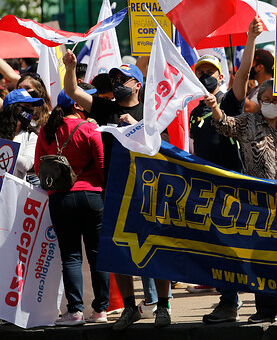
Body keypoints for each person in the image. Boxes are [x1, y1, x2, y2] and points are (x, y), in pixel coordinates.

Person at [62, 54, 172, 329]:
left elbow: (163, 150)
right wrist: (71, 67)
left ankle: (162, 306)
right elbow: (71, 91)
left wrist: (138, 128)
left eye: (123, 79)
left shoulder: (151, 113)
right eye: (115, 79)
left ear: (138, 85)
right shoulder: (103, 108)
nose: (117, 82)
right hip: (113, 191)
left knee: (153, 249)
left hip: (146, 193)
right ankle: (129, 307)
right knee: (119, 251)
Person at [206, 80, 277, 324]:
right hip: (259, 202)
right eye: (267, 100)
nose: (273, 104)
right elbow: (224, 124)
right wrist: (214, 107)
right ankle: (266, 310)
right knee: (262, 256)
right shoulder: (247, 122)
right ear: (259, 99)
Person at [190, 17, 262, 323]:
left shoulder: (229, 103)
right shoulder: (194, 112)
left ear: (221, 75)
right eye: (201, 72)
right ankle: (229, 298)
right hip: (207, 188)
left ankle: (233, 301)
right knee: (215, 247)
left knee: (234, 245)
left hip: (232, 185)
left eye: (210, 71)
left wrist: (250, 39)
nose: (206, 75)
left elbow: (244, 72)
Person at [34, 88, 109, 326]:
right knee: (98, 255)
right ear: (77, 105)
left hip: (61, 198)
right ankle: (100, 311)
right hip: (92, 196)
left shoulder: (46, 131)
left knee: (71, 256)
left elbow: (39, 168)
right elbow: (102, 166)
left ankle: (75, 311)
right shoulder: (91, 128)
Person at [0, 89, 43, 183]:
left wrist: (5, 148)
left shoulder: (31, 136)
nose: (31, 109)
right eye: (27, 106)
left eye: (32, 107)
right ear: (13, 108)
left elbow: (26, 165)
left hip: (13, 191)